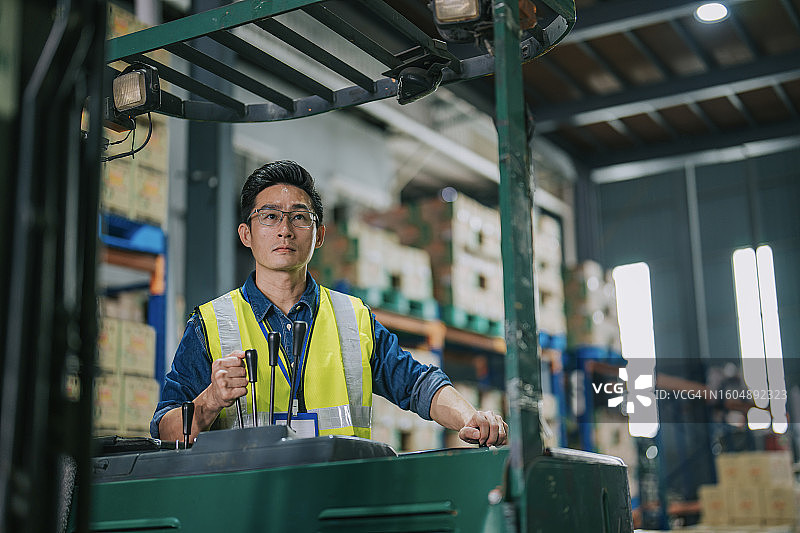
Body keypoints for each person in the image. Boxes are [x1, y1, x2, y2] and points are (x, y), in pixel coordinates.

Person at [152, 160, 508, 447]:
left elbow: (419, 384)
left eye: (299, 216)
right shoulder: (212, 324)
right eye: (270, 215)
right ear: (246, 234)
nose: (285, 229)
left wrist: (470, 418)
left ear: (319, 234)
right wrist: (211, 398)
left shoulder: (353, 319)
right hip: (250, 510)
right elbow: (165, 430)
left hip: (337, 506)